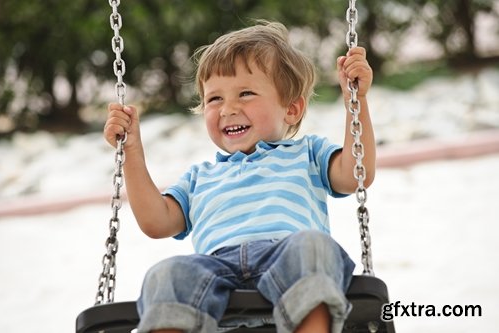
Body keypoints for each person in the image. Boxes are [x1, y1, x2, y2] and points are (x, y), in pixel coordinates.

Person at [104, 21, 375, 333]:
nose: (228, 109)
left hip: (286, 261)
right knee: (167, 273)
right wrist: (132, 150)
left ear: (291, 109)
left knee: (314, 247)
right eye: (214, 99)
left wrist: (357, 102)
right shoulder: (200, 177)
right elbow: (156, 222)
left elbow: (357, 173)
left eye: (245, 93)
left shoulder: (307, 153)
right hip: (216, 272)